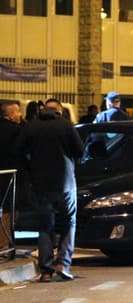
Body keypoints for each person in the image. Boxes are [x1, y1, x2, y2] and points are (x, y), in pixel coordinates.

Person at [14, 98, 84, 282]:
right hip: (65, 182)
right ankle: (63, 263)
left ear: (44, 109)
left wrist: (30, 169)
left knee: (45, 225)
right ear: (59, 111)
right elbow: (80, 151)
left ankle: (46, 270)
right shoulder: (66, 125)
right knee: (69, 221)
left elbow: (18, 152)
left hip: (40, 183)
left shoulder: (31, 126)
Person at [0, 100, 23, 169]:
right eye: (18, 111)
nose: (21, 114)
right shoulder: (17, 130)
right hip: (11, 169)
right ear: (11, 114)